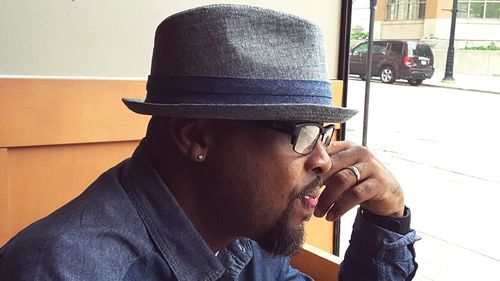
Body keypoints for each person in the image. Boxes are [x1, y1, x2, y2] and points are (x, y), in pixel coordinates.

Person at [0, 4, 419, 280]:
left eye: (325, 135)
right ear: (195, 135)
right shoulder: (63, 271)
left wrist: (387, 220)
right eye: (303, 134)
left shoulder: (242, 232)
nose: (325, 161)